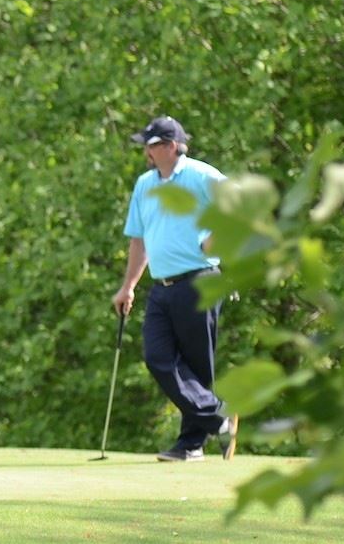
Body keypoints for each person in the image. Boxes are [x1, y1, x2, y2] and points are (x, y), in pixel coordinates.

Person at [112, 115, 238, 462]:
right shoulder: (144, 185)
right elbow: (138, 238)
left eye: (152, 146)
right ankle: (218, 416)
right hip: (161, 287)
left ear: (171, 146)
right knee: (157, 358)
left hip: (199, 280)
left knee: (198, 366)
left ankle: (191, 445)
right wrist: (128, 286)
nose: (146, 152)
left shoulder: (199, 174)